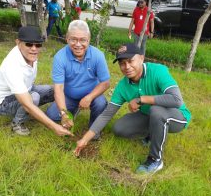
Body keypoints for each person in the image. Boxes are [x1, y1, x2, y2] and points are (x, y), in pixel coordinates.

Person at [74, 43, 191, 174]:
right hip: (149, 116)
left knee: (156, 111)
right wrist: (84, 140)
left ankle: (155, 159)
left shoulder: (158, 71)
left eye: (130, 61)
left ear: (141, 58)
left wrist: (141, 99)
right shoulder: (123, 85)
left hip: (177, 116)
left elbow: (176, 99)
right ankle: (151, 134)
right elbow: (106, 115)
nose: (127, 67)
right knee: (119, 128)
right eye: (122, 63)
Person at [0, 26, 72, 137]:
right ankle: (17, 123)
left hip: (25, 89)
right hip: (4, 103)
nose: (34, 48)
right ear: (18, 43)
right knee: (34, 98)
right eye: (29, 44)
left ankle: (50, 114)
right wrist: (53, 126)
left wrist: (64, 113)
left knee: (54, 90)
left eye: (38, 45)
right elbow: (27, 103)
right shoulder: (12, 65)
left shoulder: (30, 54)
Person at [46, 20, 110, 138]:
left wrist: (89, 97)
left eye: (82, 40)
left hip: (92, 94)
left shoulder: (98, 55)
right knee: (52, 115)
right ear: (67, 39)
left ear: (89, 40)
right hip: (69, 96)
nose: (78, 44)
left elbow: (105, 83)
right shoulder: (60, 57)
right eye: (73, 39)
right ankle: (73, 110)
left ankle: (94, 130)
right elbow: (59, 88)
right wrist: (64, 112)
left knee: (100, 103)